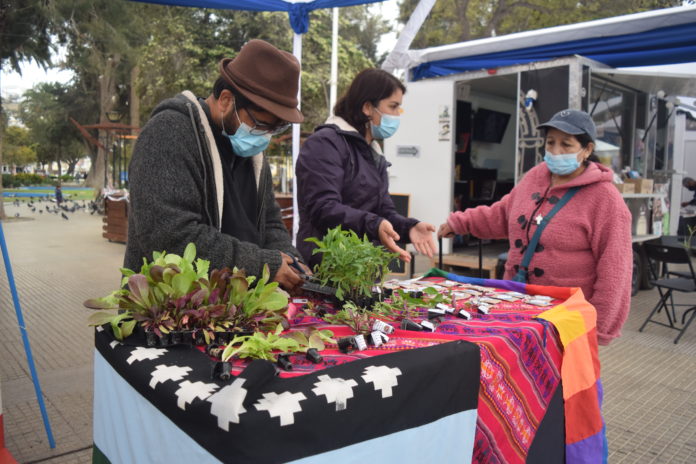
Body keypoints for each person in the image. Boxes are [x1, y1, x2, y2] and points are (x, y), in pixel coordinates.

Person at [124, 39, 308, 293]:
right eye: (261, 123)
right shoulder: (168, 134)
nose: (266, 136)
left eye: (277, 128)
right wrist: (261, 265)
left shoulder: (253, 153)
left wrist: (290, 260)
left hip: (234, 311)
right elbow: (170, 236)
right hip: (171, 314)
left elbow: (269, 222)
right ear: (225, 100)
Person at [438, 109, 632, 345]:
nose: (555, 151)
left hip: (565, 318)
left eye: (566, 144)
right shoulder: (535, 177)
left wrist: (598, 328)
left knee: (557, 380)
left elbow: (615, 269)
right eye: (550, 142)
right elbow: (502, 214)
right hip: (516, 304)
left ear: (587, 150)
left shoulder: (605, 198)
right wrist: (460, 222)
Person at [296, 68, 436, 268]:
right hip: (327, 268)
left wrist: (409, 227)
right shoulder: (325, 143)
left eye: (399, 108)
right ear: (368, 107)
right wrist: (374, 224)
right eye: (393, 106)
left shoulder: (373, 152)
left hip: (364, 269)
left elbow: (384, 210)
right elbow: (323, 207)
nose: (397, 115)